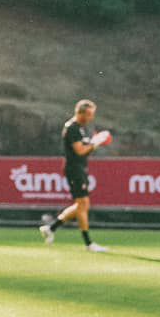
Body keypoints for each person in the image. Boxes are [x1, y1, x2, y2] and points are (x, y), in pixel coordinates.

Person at [42, 100, 112, 251]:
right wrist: (95, 143)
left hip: (80, 168)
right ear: (80, 113)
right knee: (83, 205)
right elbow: (80, 150)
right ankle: (88, 243)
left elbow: (85, 147)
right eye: (89, 114)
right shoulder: (72, 128)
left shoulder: (80, 128)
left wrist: (93, 142)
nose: (91, 118)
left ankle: (51, 228)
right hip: (74, 169)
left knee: (82, 205)